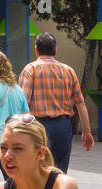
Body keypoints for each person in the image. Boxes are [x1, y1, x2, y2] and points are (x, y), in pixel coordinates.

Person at [18, 32, 94, 173]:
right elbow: (80, 103)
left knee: (37, 170)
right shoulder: (68, 71)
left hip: (38, 126)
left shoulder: (30, 70)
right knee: (59, 172)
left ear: (36, 49)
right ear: (55, 49)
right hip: (63, 127)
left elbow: (23, 104)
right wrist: (87, 132)